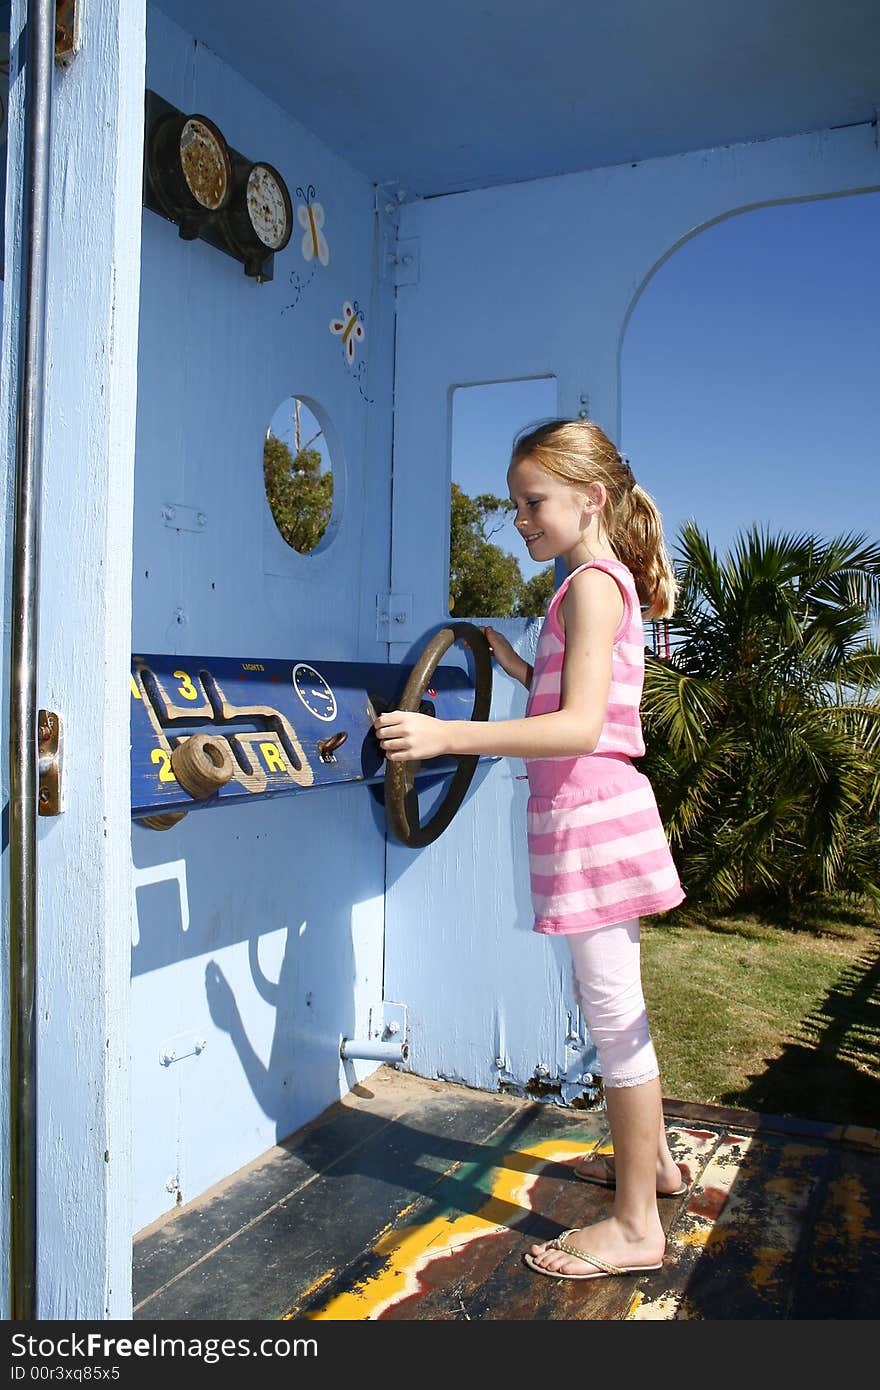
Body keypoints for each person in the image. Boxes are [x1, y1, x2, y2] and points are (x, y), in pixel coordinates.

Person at [374, 417, 686, 1283]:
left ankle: (634, 1227)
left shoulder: (590, 583)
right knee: (614, 1004)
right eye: (515, 505)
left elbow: (583, 726)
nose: (519, 519)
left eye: (532, 501)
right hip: (586, 814)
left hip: (591, 816)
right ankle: (653, 1170)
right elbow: (582, 695)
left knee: (616, 1019)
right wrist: (516, 665)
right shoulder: (589, 583)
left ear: (590, 498)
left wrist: (448, 737)